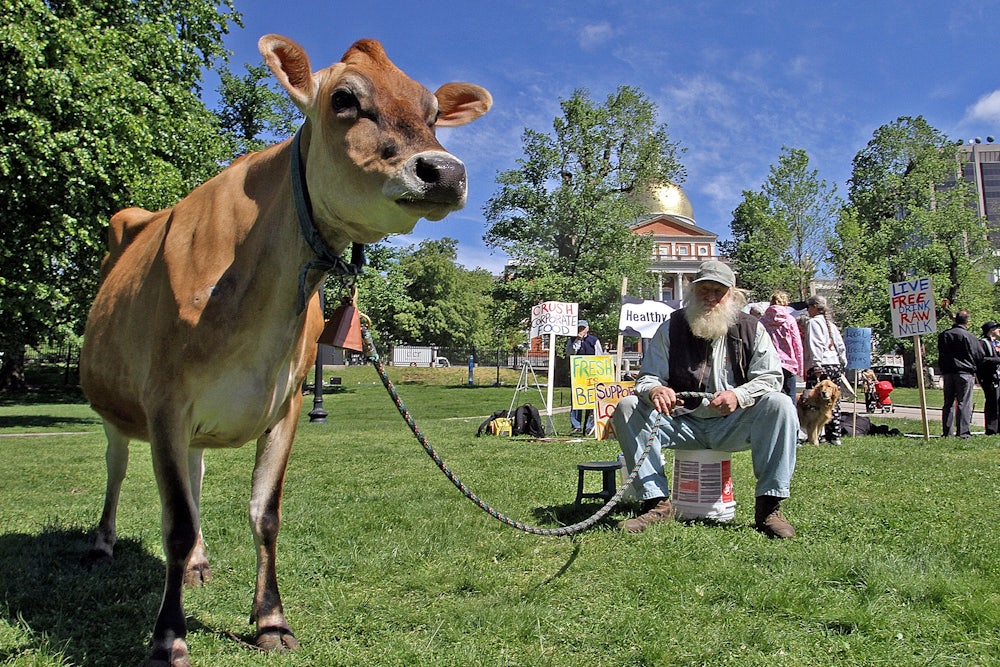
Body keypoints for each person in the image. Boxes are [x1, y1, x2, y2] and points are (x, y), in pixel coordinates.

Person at [611, 260, 798, 538]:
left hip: (733, 425)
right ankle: (656, 503)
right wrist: (655, 391)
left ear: (731, 295)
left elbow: (771, 378)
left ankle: (769, 507)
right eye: (704, 290)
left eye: (718, 291)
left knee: (780, 404)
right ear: (691, 292)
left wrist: (739, 395)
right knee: (627, 407)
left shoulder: (752, 328)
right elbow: (648, 377)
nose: (710, 297)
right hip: (682, 422)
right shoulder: (671, 328)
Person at [803, 295, 847, 446]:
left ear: (815, 306)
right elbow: (840, 345)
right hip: (835, 364)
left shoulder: (814, 323)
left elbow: (816, 344)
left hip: (822, 365)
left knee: (814, 402)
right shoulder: (831, 325)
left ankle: (816, 434)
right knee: (833, 401)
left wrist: (816, 365)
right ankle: (834, 435)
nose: (808, 310)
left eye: (808, 307)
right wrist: (842, 363)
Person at [937, 309, 983, 439]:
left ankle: (947, 432)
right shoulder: (969, 336)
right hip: (965, 372)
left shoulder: (944, 335)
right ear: (967, 321)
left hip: (948, 372)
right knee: (964, 402)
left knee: (948, 402)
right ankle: (963, 432)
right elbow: (979, 355)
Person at [760, 290, 804, 401]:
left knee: (771, 397)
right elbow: (797, 344)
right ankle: (790, 418)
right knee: (790, 397)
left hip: (769, 363)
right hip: (788, 364)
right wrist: (800, 367)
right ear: (785, 304)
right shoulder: (790, 320)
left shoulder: (762, 321)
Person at [565, 319, 603, 434]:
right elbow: (570, 353)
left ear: (587, 328)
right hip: (578, 375)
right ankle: (576, 425)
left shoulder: (594, 340)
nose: (581, 330)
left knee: (591, 401)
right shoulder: (572, 340)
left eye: (583, 328)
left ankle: (589, 426)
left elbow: (599, 356)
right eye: (579, 328)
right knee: (576, 400)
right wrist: (578, 340)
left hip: (591, 376)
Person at [976, 321, 1000, 435]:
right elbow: (981, 359)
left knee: (998, 401)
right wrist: (997, 360)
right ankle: (991, 429)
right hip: (988, 377)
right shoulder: (982, 343)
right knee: (992, 402)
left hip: (997, 376)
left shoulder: (997, 343)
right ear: (991, 330)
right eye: (996, 328)